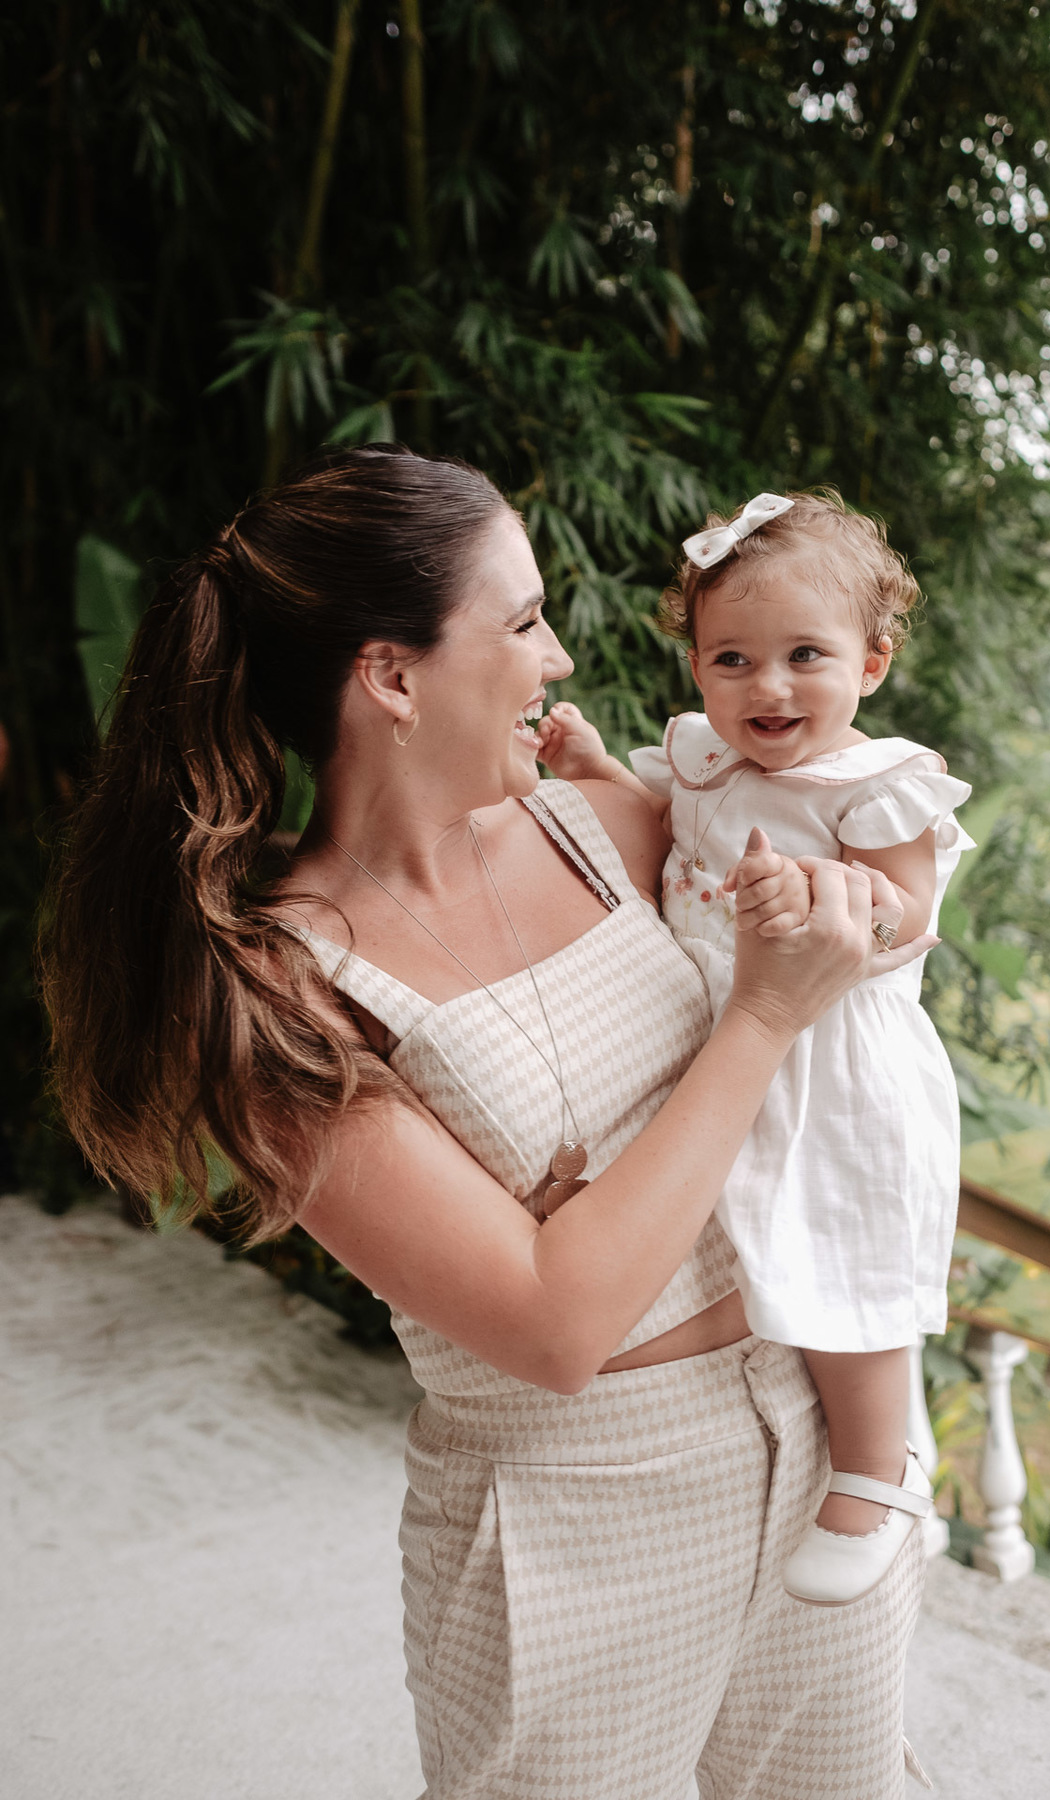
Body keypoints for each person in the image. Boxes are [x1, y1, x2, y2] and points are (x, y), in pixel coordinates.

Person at [45, 446, 936, 1800]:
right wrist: (760, 1018)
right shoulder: (278, 993)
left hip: (813, 1432)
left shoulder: (607, 827)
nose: (559, 659)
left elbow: (855, 953)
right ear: (392, 678)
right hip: (572, 1525)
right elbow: (554, 1325)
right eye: (522, 623)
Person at [538, 489, 971, 1607]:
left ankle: (877, 1471)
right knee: (725, 1239)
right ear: (696, 669)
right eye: (733, 659)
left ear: (871, 663)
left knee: (842, 1246)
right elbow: (664, 828)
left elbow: (908, 911)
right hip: (723, 1045)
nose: (767, 687)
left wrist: (827, 894)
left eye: (804, 657)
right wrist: (592, 768)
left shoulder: (874, 786)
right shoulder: (705, 762)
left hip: (833, 1062)